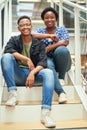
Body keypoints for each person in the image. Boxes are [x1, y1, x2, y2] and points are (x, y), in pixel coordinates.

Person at [1, 15, 56, 128]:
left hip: (33, 76)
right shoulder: (14, 40)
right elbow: (8, 50)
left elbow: (43, 63)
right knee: (6, 57)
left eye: (27, 24)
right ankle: (12, 94)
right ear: (18, 28)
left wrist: (32, 72)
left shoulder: (39, 44)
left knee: (49, 72)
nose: (25, 27)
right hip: (19, 74)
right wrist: (26, 59)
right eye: (22, 25)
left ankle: (46, 114)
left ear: (31, 26)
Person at [33, 7, 72, 103]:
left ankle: (61, 77)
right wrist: (49, 36)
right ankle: (61, 93)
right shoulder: (40, 30)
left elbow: (65, 42)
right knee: (47, 63)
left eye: (52, 17)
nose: (49, 20)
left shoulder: (61, 29)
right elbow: (31, 35)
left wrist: (49, 48)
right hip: (47, 59)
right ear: (43, 19)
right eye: (46, 18)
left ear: (56, 19)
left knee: (62, 50)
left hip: (61, 61)